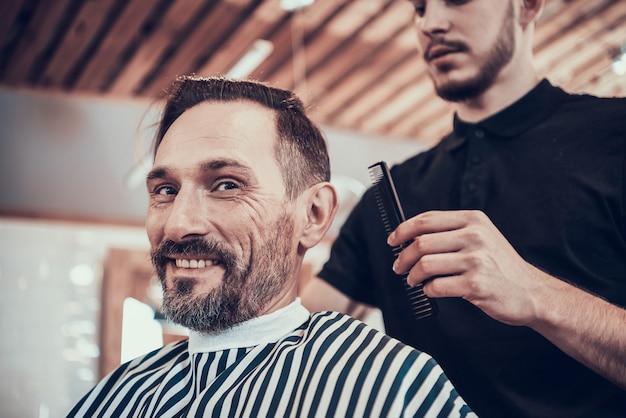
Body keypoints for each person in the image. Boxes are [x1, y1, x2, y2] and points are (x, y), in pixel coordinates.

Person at [67, 76, 475, 417]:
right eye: (165, 190)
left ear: (313, 215)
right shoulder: (119, 395)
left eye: (227, 184)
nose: (178, 223)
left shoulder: (390, 385)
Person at [301, 0, 626, 416]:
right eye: (419, 8)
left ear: (528, 6)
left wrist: (537, 294)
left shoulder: (614, 138)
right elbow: (303, 329)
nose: (431, 23)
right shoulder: (391, 195)